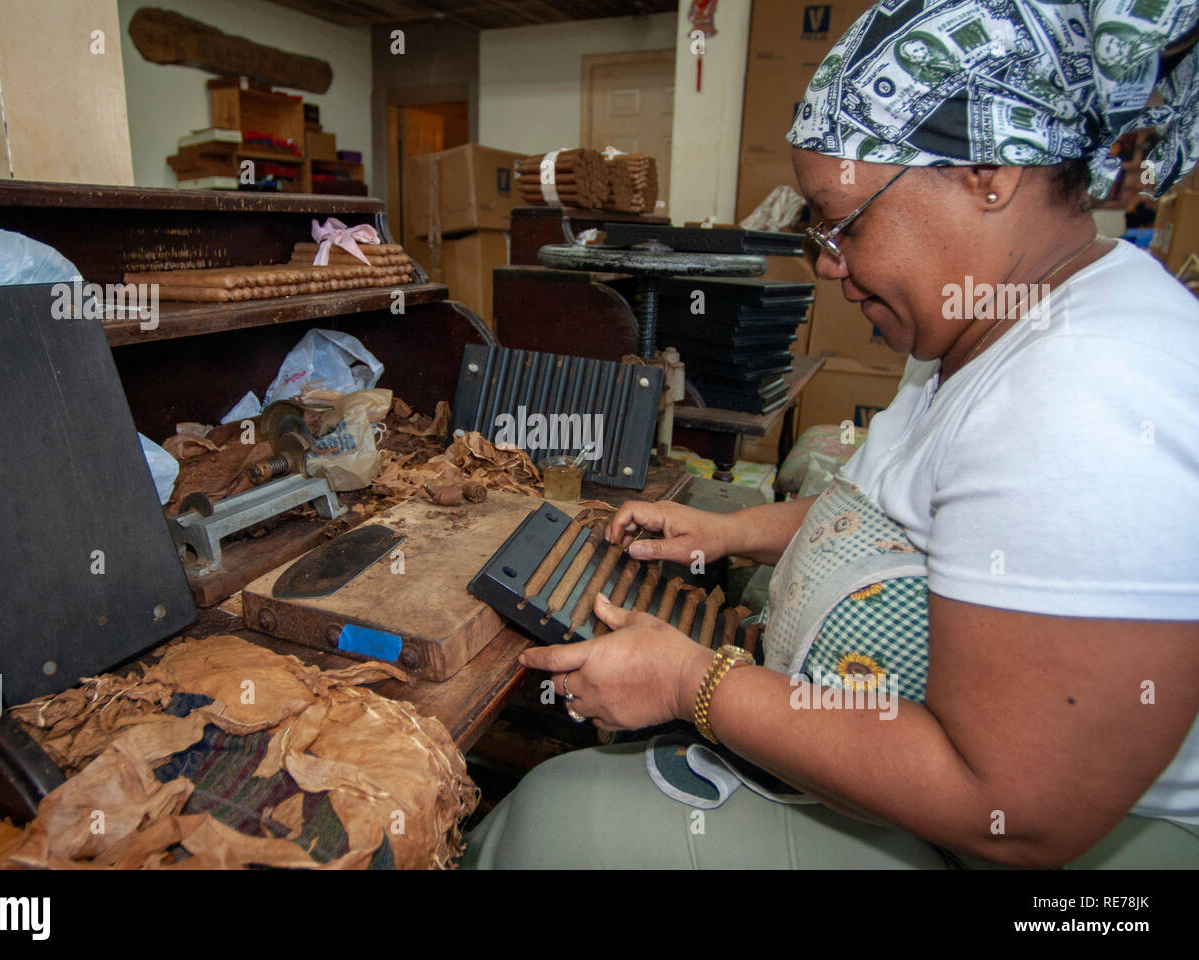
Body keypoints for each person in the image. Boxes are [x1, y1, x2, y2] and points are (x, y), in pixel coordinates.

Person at [462, 0, 1199, 869]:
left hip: (1014, 854)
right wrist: (731, 531)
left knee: (553, 822)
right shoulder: (984, 323)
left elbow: (1011, 807)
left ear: (989, 174)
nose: (825, 260)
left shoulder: (1091, 392)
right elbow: (891, 512)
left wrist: (693, 686)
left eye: (845, 221)